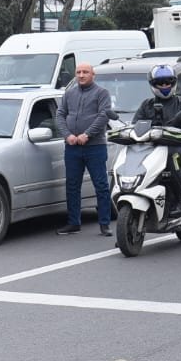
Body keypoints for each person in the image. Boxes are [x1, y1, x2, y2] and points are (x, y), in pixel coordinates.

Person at [132, 64, 181, 215]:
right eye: (160, 83)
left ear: (173, 83)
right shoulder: (146, 105)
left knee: (171, 158)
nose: (164, 85)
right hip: (151, 147)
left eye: (167, 82)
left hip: (179, 147)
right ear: (153, 84)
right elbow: (134, 125)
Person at [57, 61, 113, 235]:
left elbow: (104, 116)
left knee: (101, 185)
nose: (81, 75)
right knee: (72, 185)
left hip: (95, 147)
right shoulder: (69, 93)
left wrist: (86, 134)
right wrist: (68, 135)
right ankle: (74, 222)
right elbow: (60, 115)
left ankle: (104, 224)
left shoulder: (102, 93)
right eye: (78, 72)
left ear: (93, 75)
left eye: (85, 72)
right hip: (72, 147)